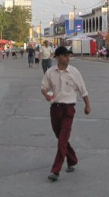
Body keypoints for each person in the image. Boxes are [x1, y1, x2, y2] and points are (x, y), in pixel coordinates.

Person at [40, 46, 91, 182]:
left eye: (68, 56)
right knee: (60, 137)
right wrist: (46, 95)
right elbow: (43, 88)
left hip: (69, 109)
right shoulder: (50, 72)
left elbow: (83, 90)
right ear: (57, 57)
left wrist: (87, 105)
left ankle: (55, 171)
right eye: (64, 56)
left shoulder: (74, 72)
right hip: (55, 109)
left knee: (62, 140)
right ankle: (72, 159)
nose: (67, 58)